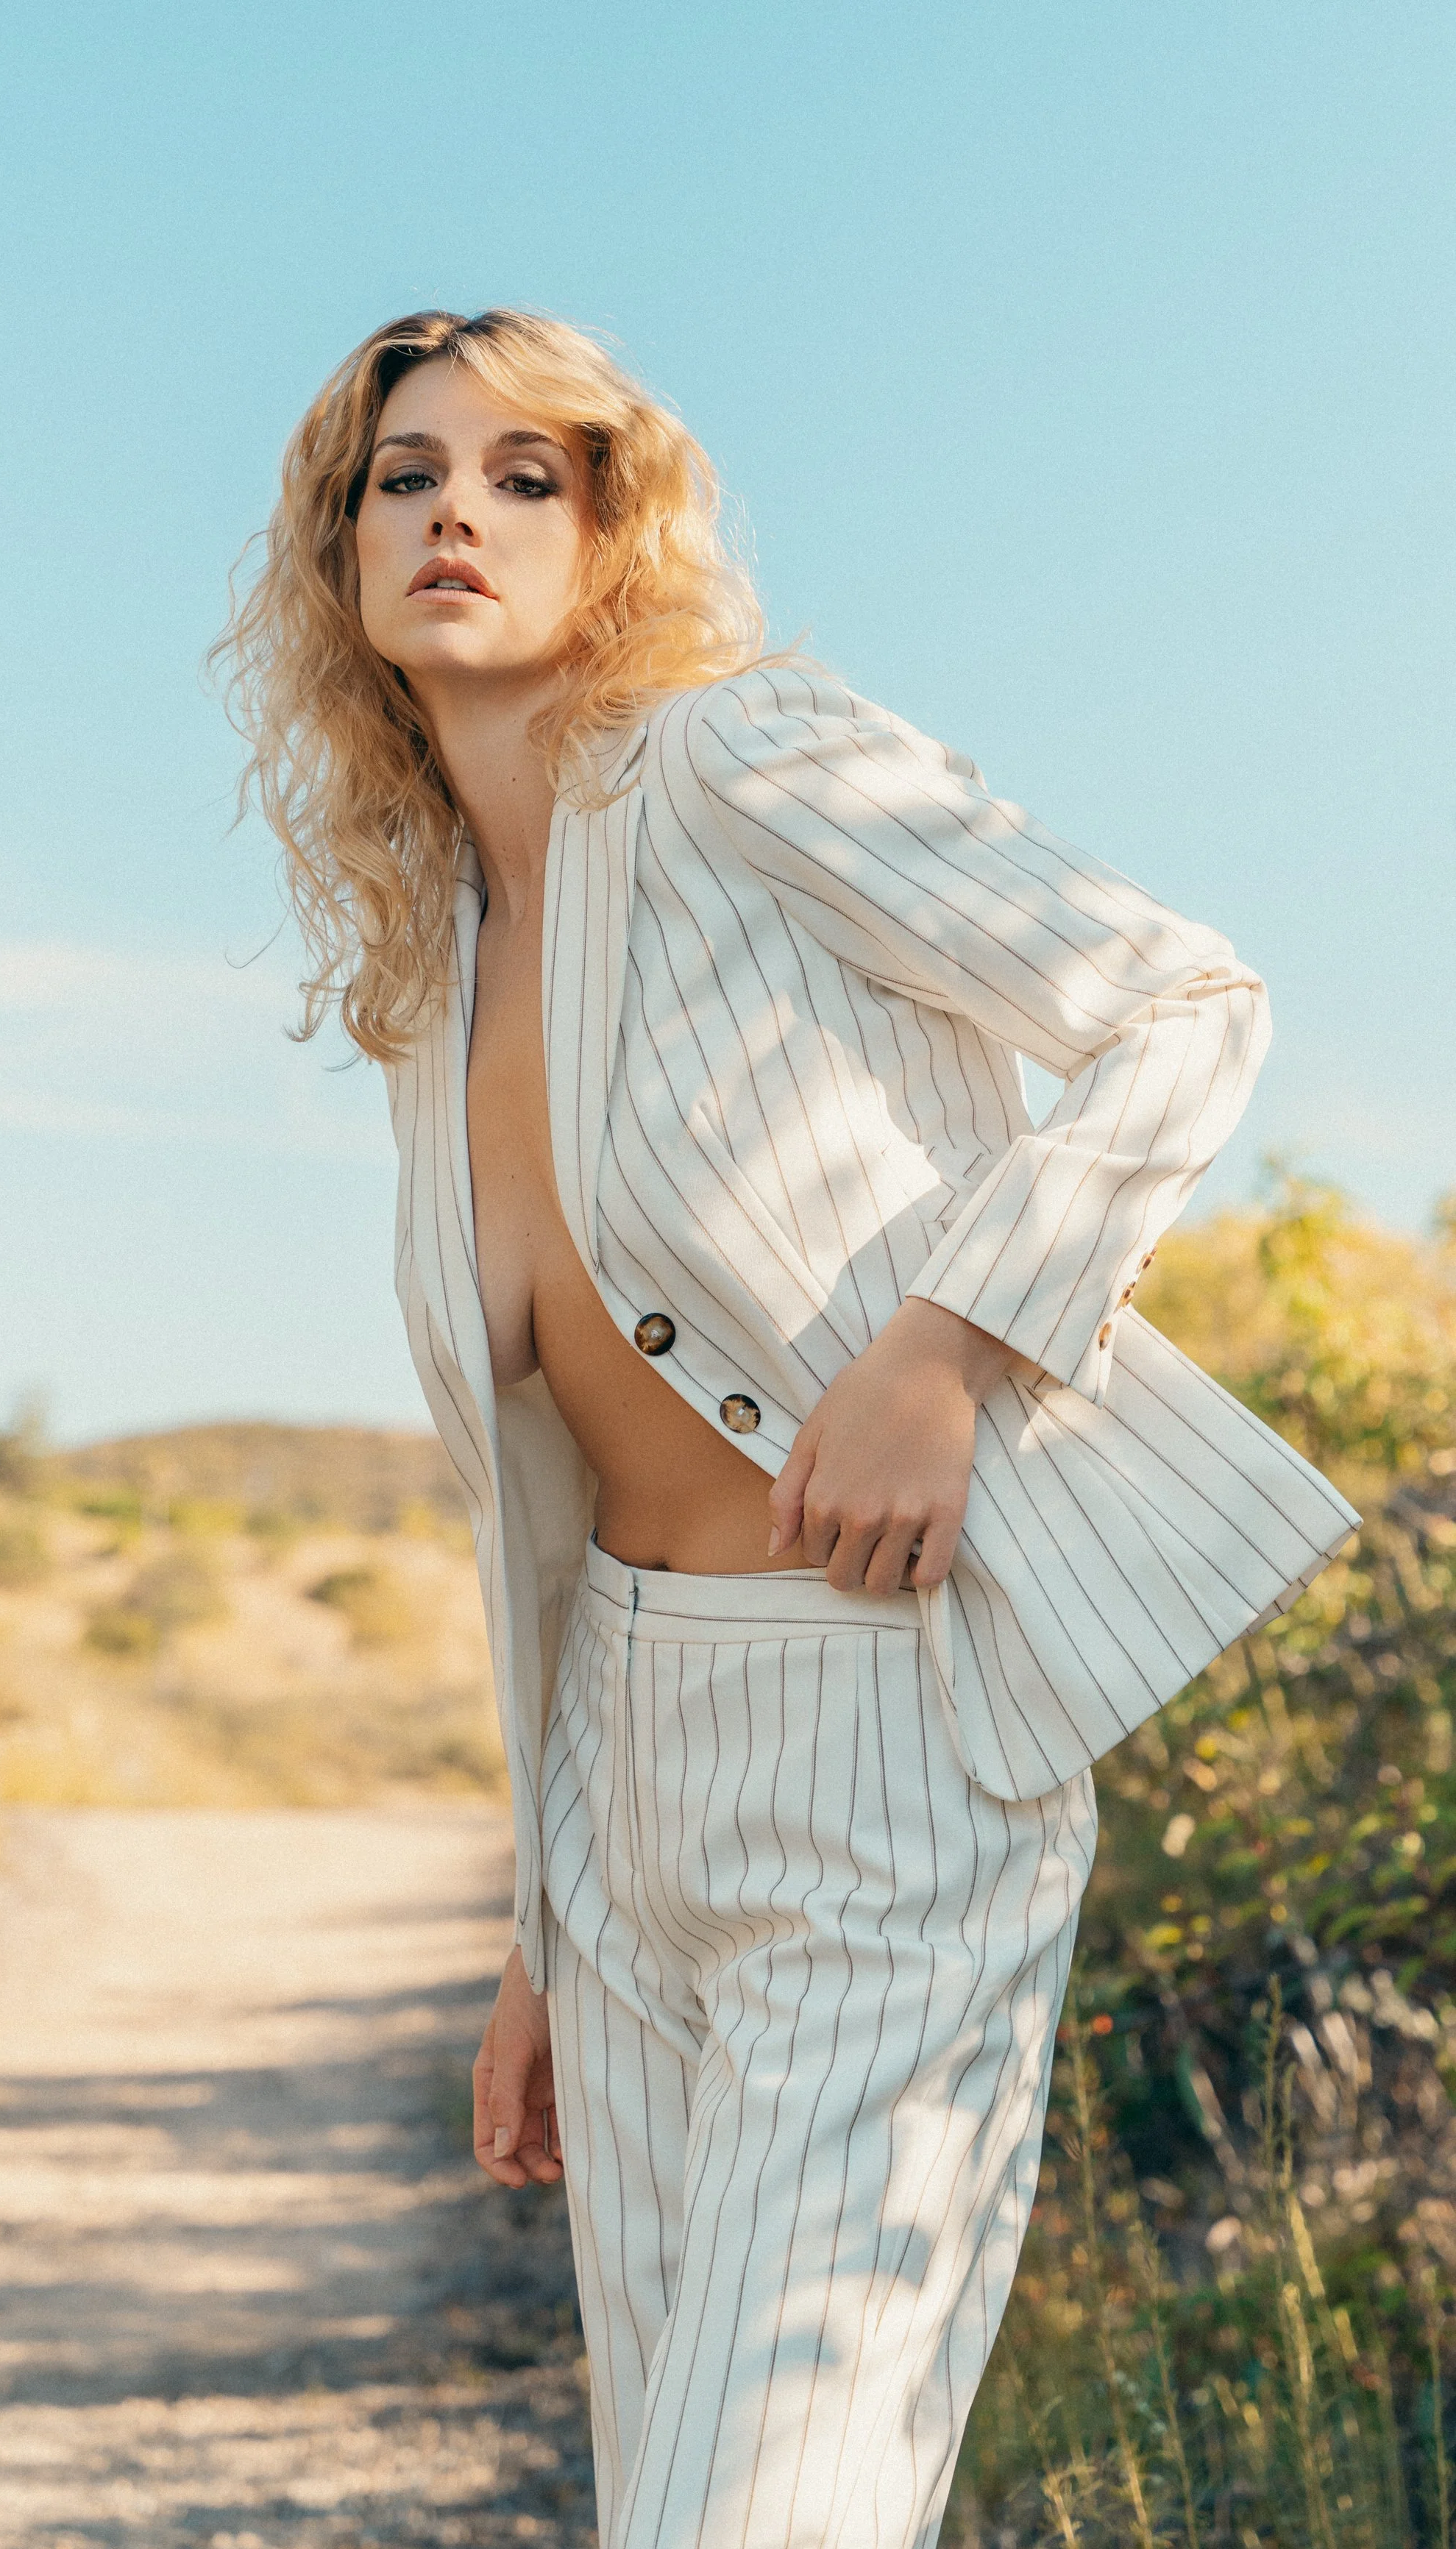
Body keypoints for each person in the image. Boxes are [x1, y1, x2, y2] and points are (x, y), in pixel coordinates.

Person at [216, 308, 1358, 2549]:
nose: (456, 508)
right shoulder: (431, 975)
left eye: (525, 475)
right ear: (338, 552)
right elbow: (533, 1507)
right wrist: (543, 1924)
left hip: (882, 1731)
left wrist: (947, 1347)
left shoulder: (740, 760)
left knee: (772, 2510)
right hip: (629, 1788)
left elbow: (1179, 1005)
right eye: (404, 473)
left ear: (609, 531)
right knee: (671, 2499)